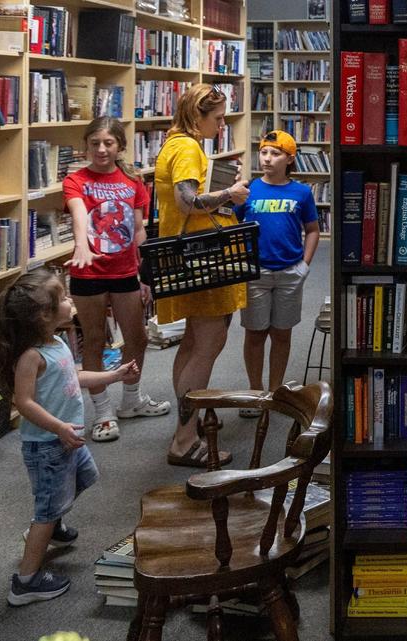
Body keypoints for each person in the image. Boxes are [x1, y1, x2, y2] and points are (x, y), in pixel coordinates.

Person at [0, 269, 138, 605]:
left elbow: (74, 375)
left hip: (65, 440)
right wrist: (58, 427)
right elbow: (24, 402)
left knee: (86, 476)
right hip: (47, 446)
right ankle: (25, 581)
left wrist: (114, 375)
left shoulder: (56, 342)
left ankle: (53, 524)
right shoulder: (31, 356)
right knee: (45, 509)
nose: (71, 301)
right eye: (64, 298)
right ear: (44, 314)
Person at [154, 84, 249, 468]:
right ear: (198, 116)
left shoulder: (174, 142)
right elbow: (187, 201)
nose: (223, 124)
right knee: (208, 345)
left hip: (188, 254)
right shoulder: (189, 148)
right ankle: (184, 440)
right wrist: (230, 194)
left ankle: (187, 422)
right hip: (201, 255)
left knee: (193, 343)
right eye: (219, 117)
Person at [64, 117, 170, 443]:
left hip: (125, 272)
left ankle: (132, 400)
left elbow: (138, 230)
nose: (101, 149)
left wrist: (145, 274)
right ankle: (103, 412)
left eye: (108, 143)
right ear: (86, 145)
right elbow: (79, 212)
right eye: (94, 143)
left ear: (120, 146)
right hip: (88, 272)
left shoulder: (134, 182)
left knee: (136, 338)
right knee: (94, 340)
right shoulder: (75, 179)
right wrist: (82, 243)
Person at [235, 131, 319, 412]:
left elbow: (312, 230)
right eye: (264, 152)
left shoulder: (302, 192)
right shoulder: (247, 190)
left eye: (275, 153)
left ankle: (275, 391)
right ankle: (255, 391)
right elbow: (231, 227)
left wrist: (304, 265)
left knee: (282, 333)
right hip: (256, 272)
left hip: (289, 272)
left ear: (290, 159)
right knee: (255, 333)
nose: (267, 159)